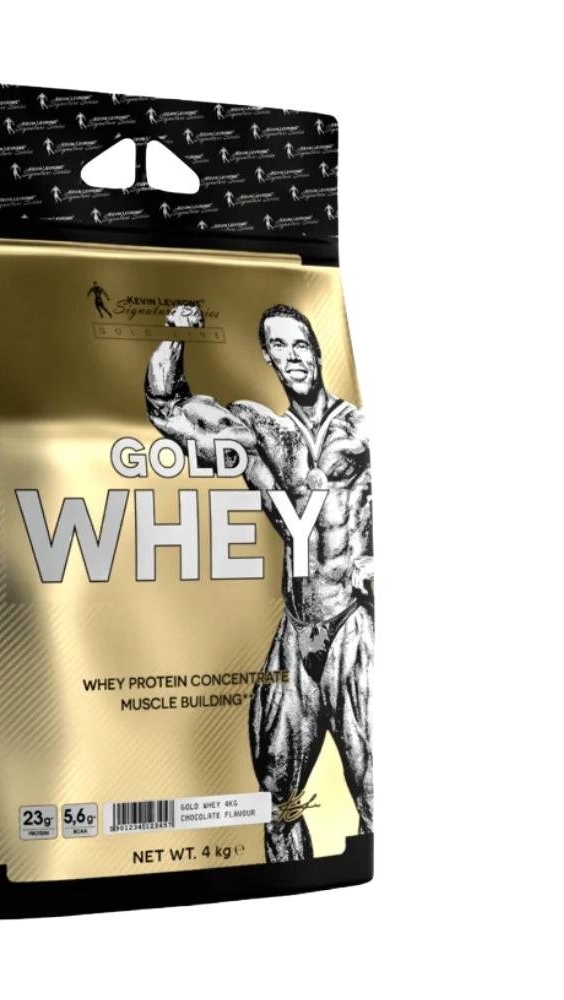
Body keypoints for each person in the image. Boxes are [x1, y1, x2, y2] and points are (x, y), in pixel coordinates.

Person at [145, 304, 374, 863]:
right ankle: (289, 891)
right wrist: (174, 334)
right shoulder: (261, 435)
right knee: (276, 801)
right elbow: (168, 412)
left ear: (317, 351)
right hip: (297, 631)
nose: (292, 357)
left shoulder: (361, 425)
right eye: (279, 346)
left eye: (301, 345)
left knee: (376, 795)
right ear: (266, 356)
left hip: (353, 625)